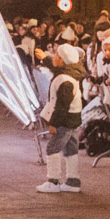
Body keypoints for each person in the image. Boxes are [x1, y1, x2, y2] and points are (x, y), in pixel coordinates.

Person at [37, 42, 85, 193]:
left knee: (53, 147)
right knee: (71, 149)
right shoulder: (71, 73)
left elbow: (61, 106)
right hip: (73, 118)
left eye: (56, 55)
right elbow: (54, 66)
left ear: (62, 60)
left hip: (64, 120)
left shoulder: (64, 79)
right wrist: (45, 58)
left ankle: (53, 181)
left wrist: (54, 124)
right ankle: (72, 180)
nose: (53, 57)